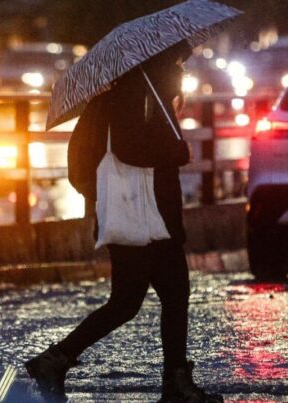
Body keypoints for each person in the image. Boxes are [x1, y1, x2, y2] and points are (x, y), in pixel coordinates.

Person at [25, 41, 223, 403]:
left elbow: (84, 161)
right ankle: (57, 360)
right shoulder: (141, 97)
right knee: (140, 299)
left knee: (156, 296)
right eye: (178, 62)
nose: (183, 70)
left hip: (140, 215)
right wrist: (178, 148)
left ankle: (170, 381)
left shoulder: (123, 96)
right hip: (145, 218)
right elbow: (136, 150)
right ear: (163, 64)